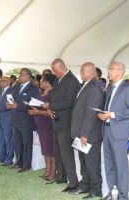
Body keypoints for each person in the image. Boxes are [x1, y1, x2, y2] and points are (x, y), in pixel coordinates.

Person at [98, 61, 129, 200]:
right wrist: (103, 114)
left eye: (111, 69)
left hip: (119, 132)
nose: (108, 72)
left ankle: (123, 196)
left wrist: (112, 115)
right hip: (107, 129)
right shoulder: (110, 87)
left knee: (121, 166)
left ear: (120, 71)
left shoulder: (127, 88)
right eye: (108, 69)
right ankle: (112, 193)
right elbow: (109, 107)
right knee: (109, 164)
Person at [42, 58, 81, 192]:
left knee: (66, 153)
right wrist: (50, 109)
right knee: (57, 152)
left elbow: (69, 102)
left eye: (55, 70)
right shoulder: (59, 79)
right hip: (56, 120)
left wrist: (51, 105)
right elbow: (54, 98)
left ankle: (73, 182)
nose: (54, 73)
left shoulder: (71, 80)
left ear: (62, 67)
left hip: (66, 123)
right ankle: (61, 176)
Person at [70, 62, 104, 199]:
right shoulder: (85, 85)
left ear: (91, 72)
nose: (81, 72)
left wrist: (85, 134)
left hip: (89, 134)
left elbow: (91, 114)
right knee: (83, 161)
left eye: (83, 70)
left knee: (92, 163)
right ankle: (84, 185)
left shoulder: (95, 88)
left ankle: (96, 189)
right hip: (81, 132)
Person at [7, 68, 39, 172]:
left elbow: (33, 104)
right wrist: (9, 104)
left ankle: (26, 165)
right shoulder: (16, 86)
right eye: (19, 74)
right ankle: (18, 162)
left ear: (27, 77)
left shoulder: (33, 89)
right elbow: (12, 99)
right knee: (17, 143)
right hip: (15, 119)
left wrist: (18, 105)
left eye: (21, 75)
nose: (19, 76)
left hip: (26, 120)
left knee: (26, 143)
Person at [28, 74, 56, 181]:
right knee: (44, 149)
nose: (40, 82)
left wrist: (38, 111)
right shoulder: (41, 93)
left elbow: (51, 112)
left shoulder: (52, 94)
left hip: (48, 123)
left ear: (48, 82)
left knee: (50, 149)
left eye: (43, 81)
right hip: (40, 123)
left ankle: (53, 171)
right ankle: (47, 169)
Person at [0, 76, 14, 166]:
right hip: (0, 117)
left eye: (4, 81)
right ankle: (1, 158)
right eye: (1, 81)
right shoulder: (1, 91)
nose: (1, 83)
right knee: (1, 139)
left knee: (8, 139)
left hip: (7, 118)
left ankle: (8, 159)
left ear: (9, 82)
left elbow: (11, 105)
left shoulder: (11, 91)